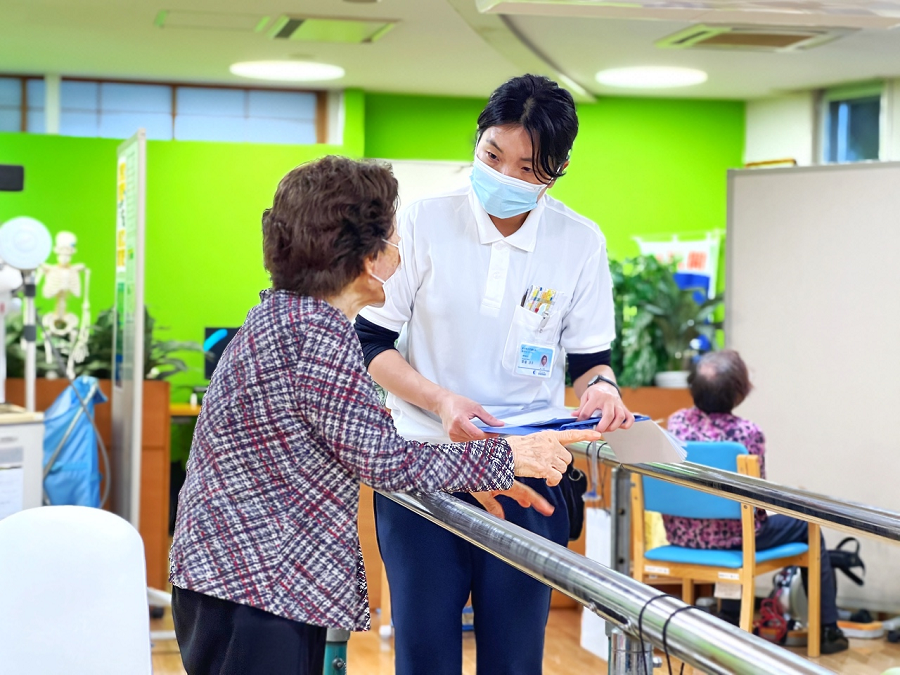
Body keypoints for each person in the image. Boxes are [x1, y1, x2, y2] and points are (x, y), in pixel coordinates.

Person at [168, 156, 601, 675]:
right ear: (366, 256)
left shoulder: (284, 316)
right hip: (255, 584)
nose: (401, 248)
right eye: (393, 236)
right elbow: (384, 458)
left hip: (244, 578)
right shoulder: (315, 334)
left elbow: (358, 446)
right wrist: (507, 457)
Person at [355, 75, 635, 675]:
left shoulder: (578, 242)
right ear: (477, 142)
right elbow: (370, 340)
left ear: (557, 170)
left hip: (529, 468)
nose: (504, 175)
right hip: (425, 468)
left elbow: (589, 362)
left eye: (527, 167)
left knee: (514, 657)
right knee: (424, 655)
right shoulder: (422, 224)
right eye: (491, 155)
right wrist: (440, 402)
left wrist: (603, 390)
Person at [664, 349, 849, 655]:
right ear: (738, 392)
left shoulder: (677, 424)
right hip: (735, 538)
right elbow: (754, 502)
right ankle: (827, 629)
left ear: (693, 387)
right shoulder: (747, 433)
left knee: (739, 525)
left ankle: (730, 614)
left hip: (683, 536)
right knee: (807, 527)